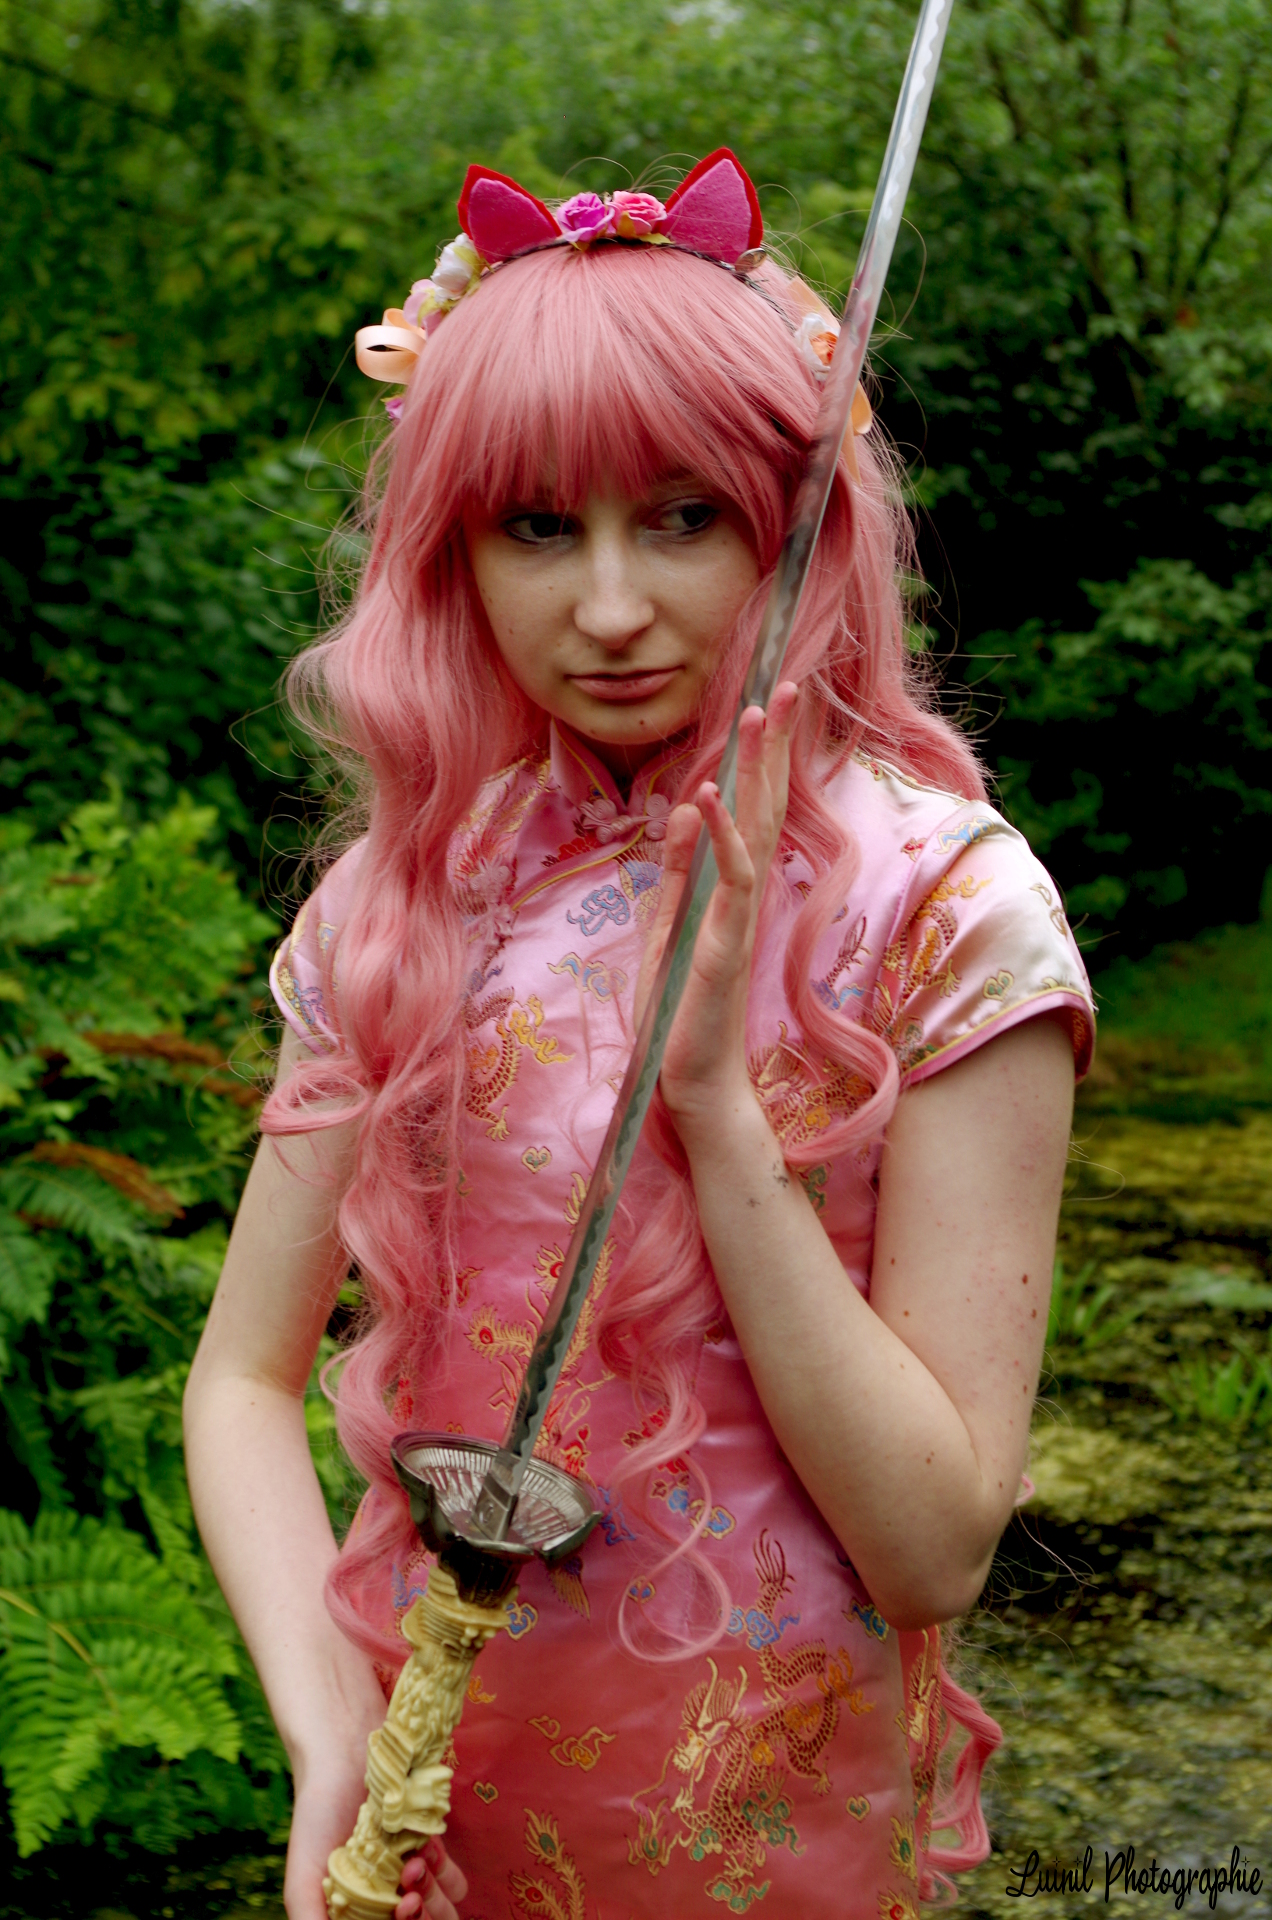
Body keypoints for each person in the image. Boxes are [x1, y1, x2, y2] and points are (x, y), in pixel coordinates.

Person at [184, 151, 1094, 1920]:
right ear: (452, 549)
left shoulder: (944, 907)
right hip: (427, 1825)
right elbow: (239, 1382)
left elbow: (935, 1550)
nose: (609, 607)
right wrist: (332, 1741)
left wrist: (715, 1113)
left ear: (795, 523)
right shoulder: (397, 905)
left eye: (684, 516)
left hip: (779, 1841)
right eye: (538, 526)